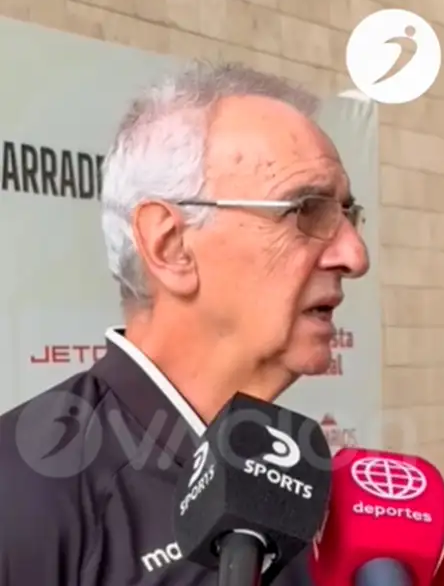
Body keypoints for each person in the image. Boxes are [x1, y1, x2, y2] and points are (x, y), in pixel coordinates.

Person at [0, 62, 369, 585]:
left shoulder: (290, 472)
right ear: (170, 246)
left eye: (348, 215)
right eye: (307, 210)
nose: (354, 255)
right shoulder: (21, 490)